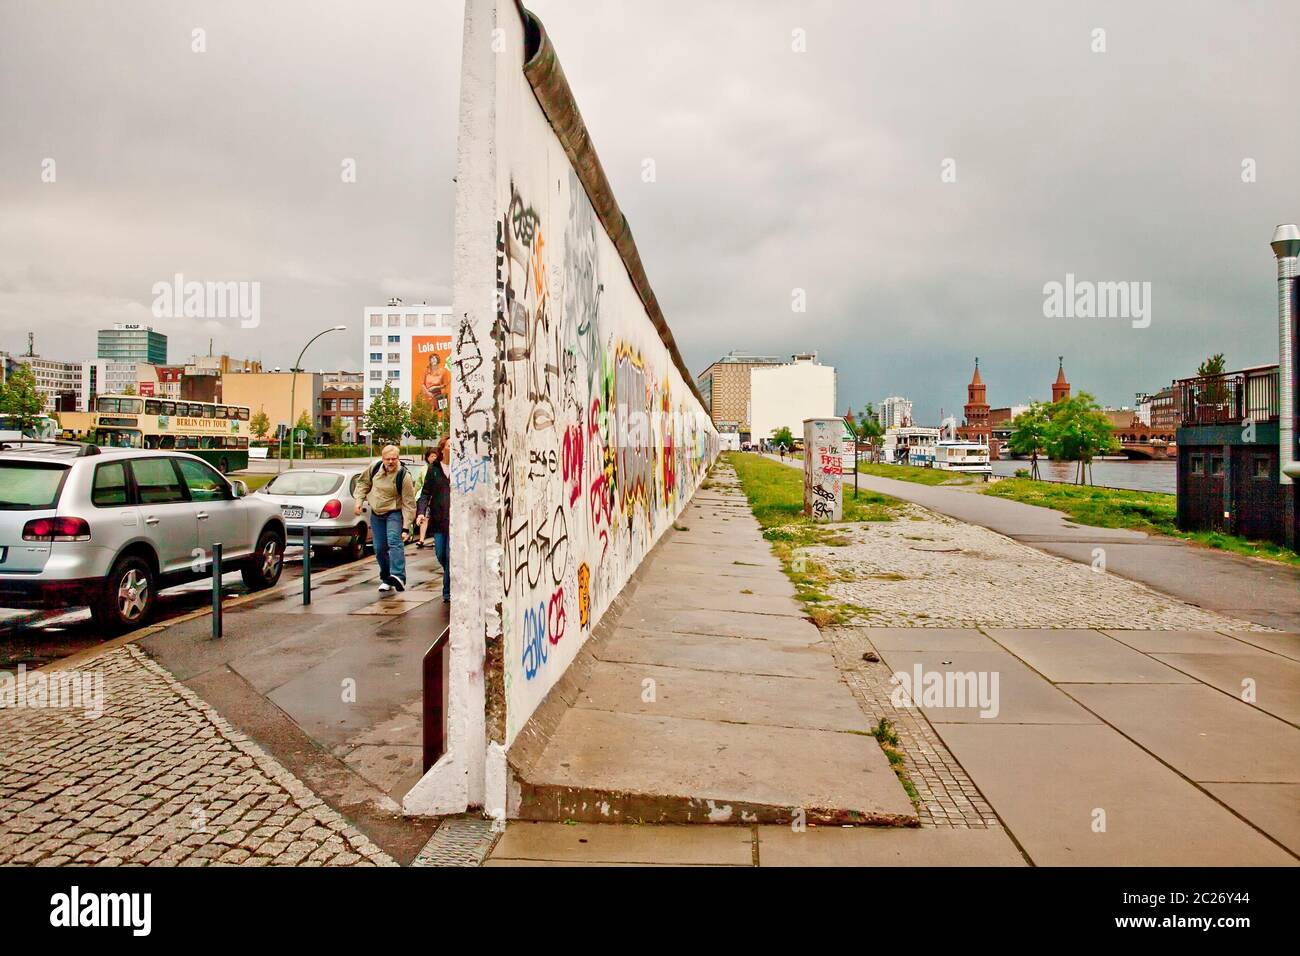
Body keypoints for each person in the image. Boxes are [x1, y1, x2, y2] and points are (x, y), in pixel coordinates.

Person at [353, 444, 417, 592]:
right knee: (380, 548)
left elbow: (409, 503)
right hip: (377, 513)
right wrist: (359, 501)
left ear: (398, 458)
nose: (391, 462)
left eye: (394, 459)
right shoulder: (374, 467)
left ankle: (398, 576)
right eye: (387, 459)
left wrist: (406, 526)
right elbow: (363, 483)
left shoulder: (404, 475)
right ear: (382, 459)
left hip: (394, 512)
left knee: (394, 541)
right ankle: (387, 578)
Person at [419, 435, 452, 603]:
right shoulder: (434, 468)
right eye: (449, 445)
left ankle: (447, 592)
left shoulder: (461, 467)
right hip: (439, 519)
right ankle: (452, 576)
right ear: (442, 449)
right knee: (441, 554)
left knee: (450, 555)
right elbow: (425, 492)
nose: (452, 448)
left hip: (455, 521)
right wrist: (421, 512)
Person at [415, 446, 438, 547]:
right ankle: (421, 539)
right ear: (427, 457)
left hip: (437, 498)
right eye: (432, 456)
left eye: (435, 456)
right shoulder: (423, 469)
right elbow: (418, 484)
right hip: (426, 498)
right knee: (424, 517)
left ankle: (436, 539)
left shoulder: (440, 469)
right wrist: (415, 495)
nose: (434, 458)